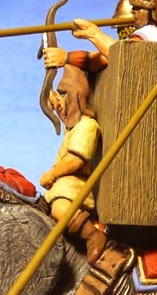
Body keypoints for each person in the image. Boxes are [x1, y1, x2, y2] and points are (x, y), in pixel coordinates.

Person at [39, 64, 107, 262]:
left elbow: (76, 159)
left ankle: (92, 235)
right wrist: (52, 95)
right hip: (62, 188)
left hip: (75, 189)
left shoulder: (87, 126)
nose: (59, 109)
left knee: (60, 209)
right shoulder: (72, 129)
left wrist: (52, 174)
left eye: (63, 102)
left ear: (74, 98)